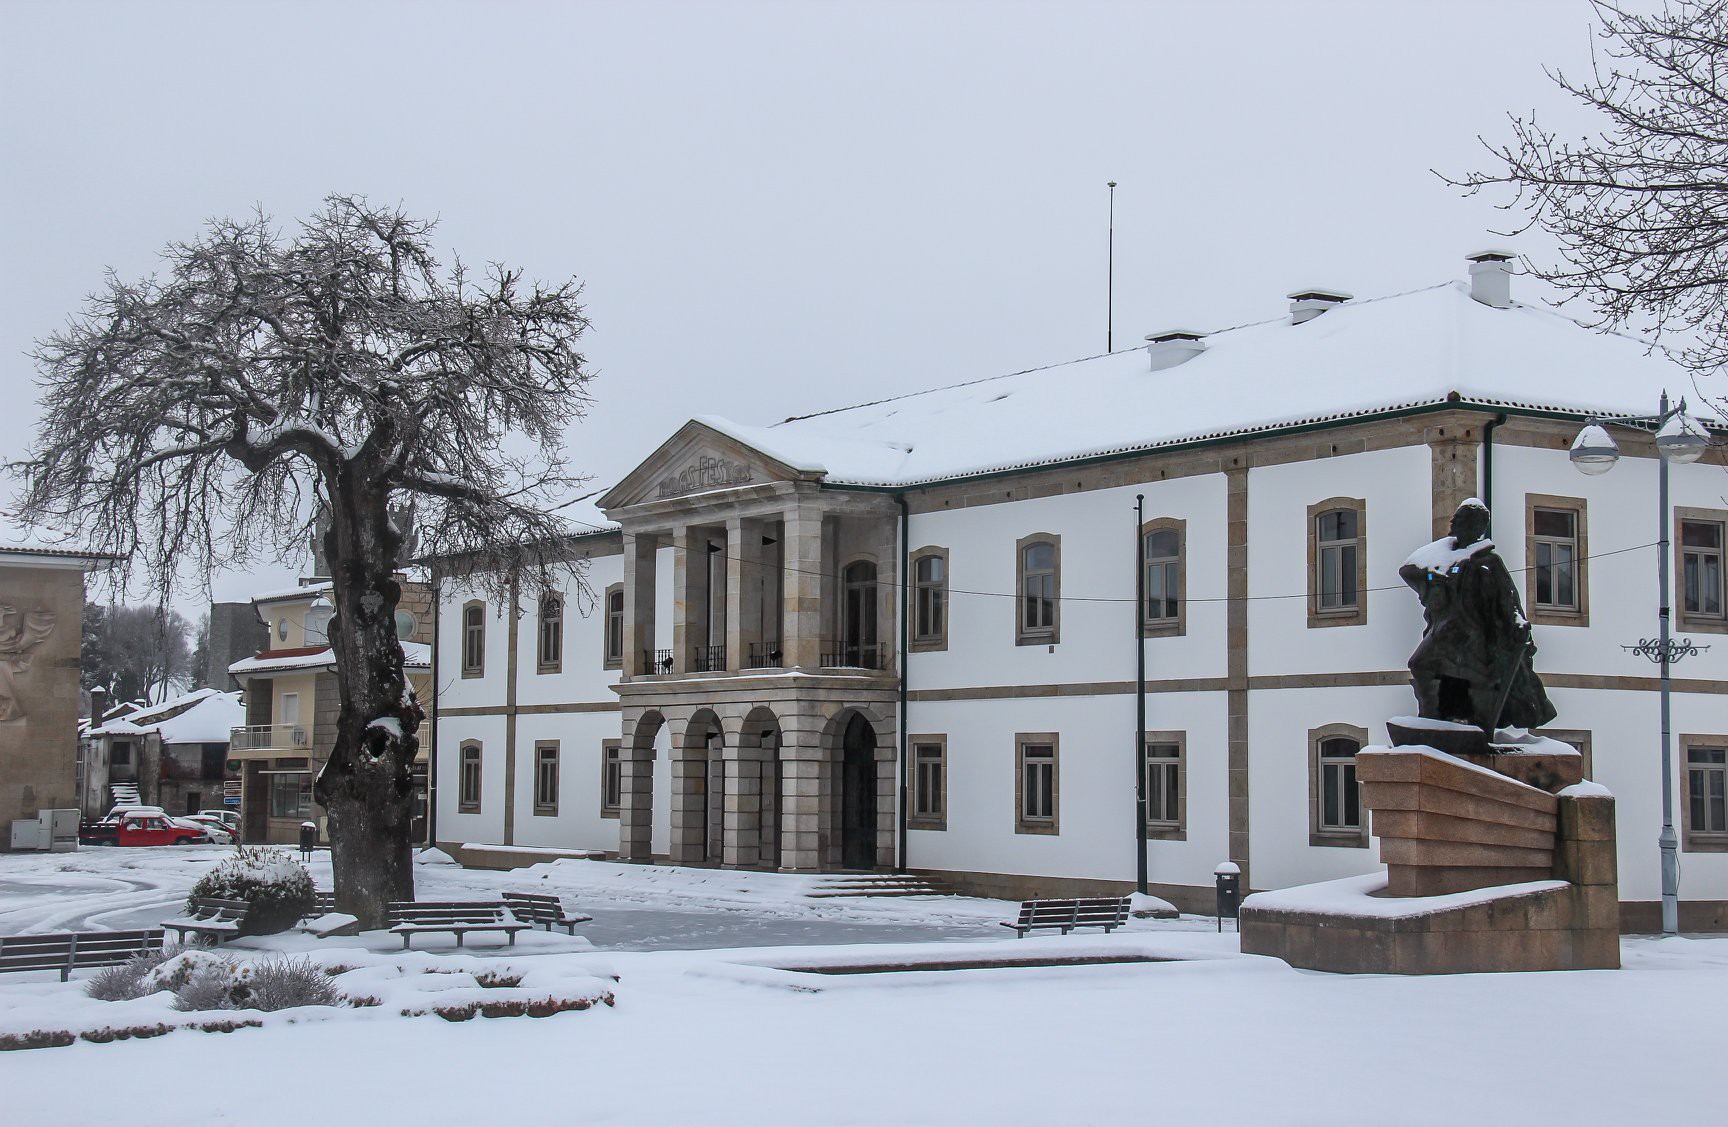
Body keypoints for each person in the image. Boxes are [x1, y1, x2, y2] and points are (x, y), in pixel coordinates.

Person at [1399, 499, 1556, 732]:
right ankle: (1434, 719)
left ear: (1474, 525)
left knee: (1468, 681)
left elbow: (1508, 598)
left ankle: (1453, 723)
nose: (1452, 521)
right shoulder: (1447, 557)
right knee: (1422, 666)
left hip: (1472, 635)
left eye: (1459, 518)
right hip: (1445, 630)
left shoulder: (1488, 561)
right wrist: (1436, 571)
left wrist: (1518, 623)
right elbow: (1408, 569)